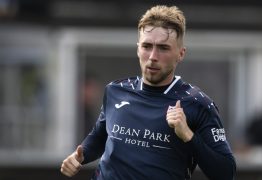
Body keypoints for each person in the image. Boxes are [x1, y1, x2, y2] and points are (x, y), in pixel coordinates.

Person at [60, 5, 236, 180]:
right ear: (138, 49)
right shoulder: (115, 91)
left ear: (180, 54)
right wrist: (79, 157)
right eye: (147, 46)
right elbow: (101, 136)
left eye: (163, 48)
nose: (153, 56)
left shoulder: (198, 104)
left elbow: (226, 173)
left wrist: (189, 136)